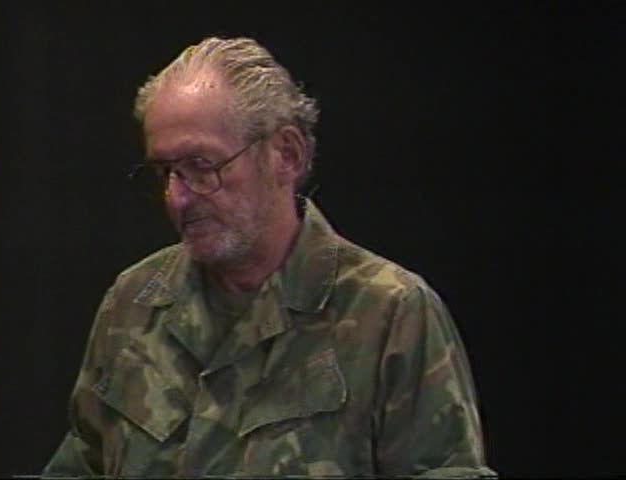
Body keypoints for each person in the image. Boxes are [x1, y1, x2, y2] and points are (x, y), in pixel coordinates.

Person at [43, 36, 496, 478]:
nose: (177, 198)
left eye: (202, 167)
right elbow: (83, 462)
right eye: (165, 172)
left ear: (286, 154)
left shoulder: (390, 314)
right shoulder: (133, 302)